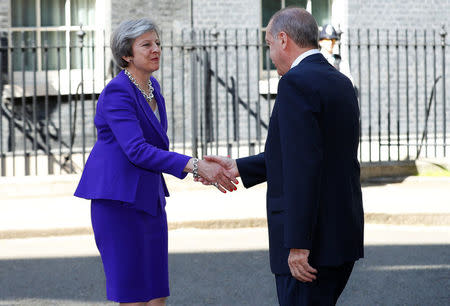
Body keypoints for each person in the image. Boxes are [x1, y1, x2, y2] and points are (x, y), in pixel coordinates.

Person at [203, 7, 364, 306]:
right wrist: (238, 166)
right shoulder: (340, 82)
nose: (270, 53)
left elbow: (304, 167)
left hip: (312, 246)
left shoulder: (294, 83)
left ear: (283, 39)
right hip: (341, 238)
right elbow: (306, 152)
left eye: (269, 44)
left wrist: (299, 246)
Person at [74, 18, 237, 306]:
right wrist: (195, 165)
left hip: (149, 199)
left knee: (157, 293)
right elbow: (137, 150)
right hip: (118, 202)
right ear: (127, 54)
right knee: (134, 295)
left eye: (158, 43)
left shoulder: (152, 88)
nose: (156, 50)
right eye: (146, 44)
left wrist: (197, 167)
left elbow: (156, 147)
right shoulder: (117, 91)